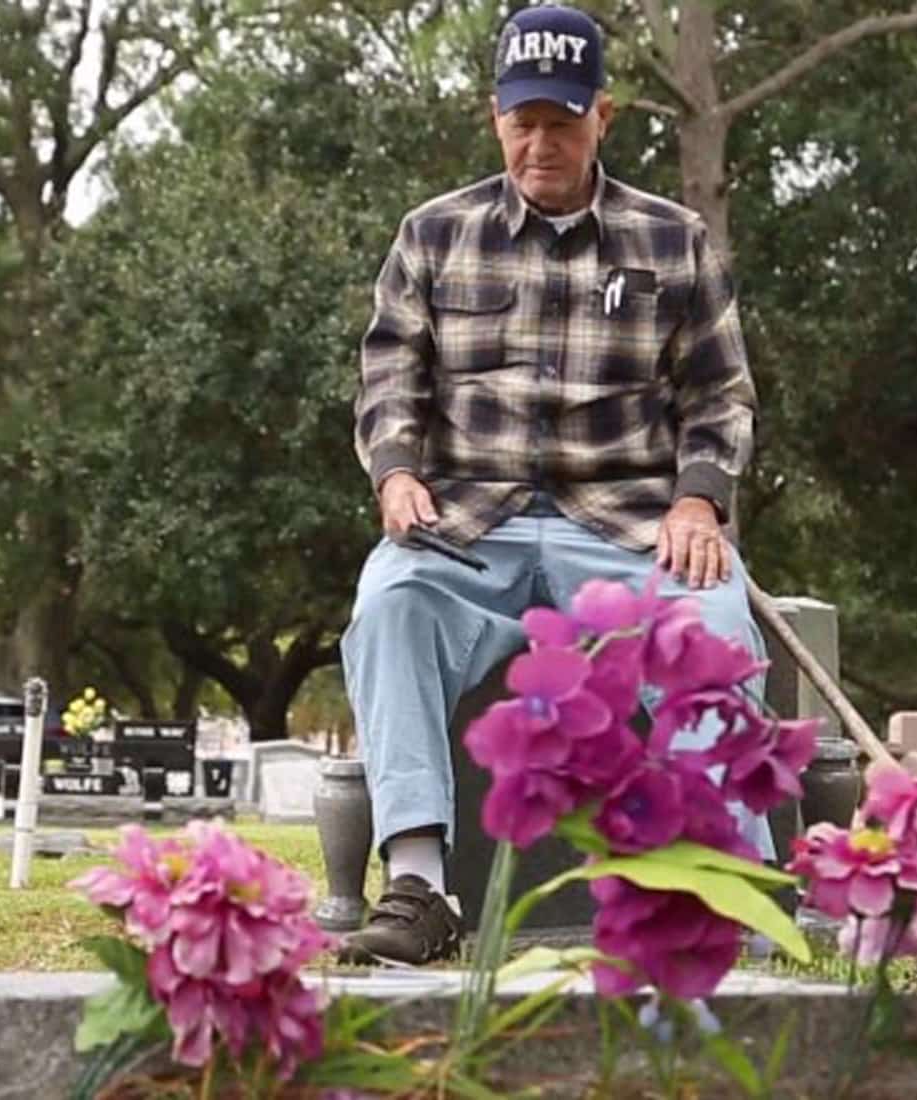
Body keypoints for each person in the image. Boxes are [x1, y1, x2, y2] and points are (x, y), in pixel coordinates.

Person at [340, 3, 772, 966]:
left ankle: (720, 889)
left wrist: (700, 499)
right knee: (388, 604)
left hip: (623, 526)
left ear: (603, 117)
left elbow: (720, 393)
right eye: (522, 120)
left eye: (562, 122)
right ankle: (417, 885)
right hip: (466, 524)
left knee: (715, 625)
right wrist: (396, 471)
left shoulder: (674, 239)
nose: (540, 143)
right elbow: (388, 378)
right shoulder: (431, 234)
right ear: (495, 116)